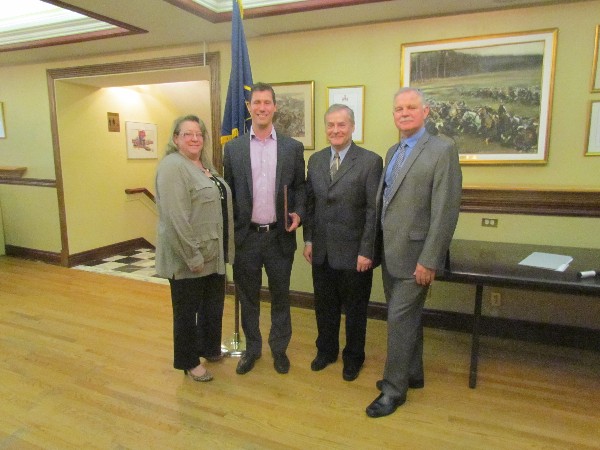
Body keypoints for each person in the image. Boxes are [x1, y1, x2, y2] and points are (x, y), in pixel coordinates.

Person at [366, 87, 462, 418]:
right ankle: (414, 373)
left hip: (417, 257)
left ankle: (394, 390)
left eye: (410, 107)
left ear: (426, 112)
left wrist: (430, 259)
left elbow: (445, 210)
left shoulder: (442, 149)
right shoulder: (394, 150)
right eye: (398, 109)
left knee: (397, 321)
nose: (404, 113)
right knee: (407, 319)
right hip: (391, 253)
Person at [223, 82, 306, 375]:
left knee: (281, 296)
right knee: (248, 298)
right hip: (246, 238)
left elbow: (300, 188)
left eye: (267, 102)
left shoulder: (292, 148)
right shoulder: (232, 150)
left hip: (279, 237)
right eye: (256, 102)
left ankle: (279, 350)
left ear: (275, 107)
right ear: (249, 108)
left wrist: (298, 212)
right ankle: (253, 349)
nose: (261, 107)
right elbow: (229, 193)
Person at [303, 104, 382, 381]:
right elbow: (310, 204)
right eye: (331, 125)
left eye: (341, 125)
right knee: (324, 306)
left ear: (352, 127)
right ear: (326, 128)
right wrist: (309, 239)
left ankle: (353, 357)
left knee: (356, 311)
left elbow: (373, 211)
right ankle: (326, 351)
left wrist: (366, 251)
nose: (335, 130)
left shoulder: (370, 161)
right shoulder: (315, 160)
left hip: (354, 254)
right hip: (322, 251)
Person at [155, 114, 234, 382]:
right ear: (175, 138)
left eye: (198, 133)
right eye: (187, 133)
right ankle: (190, 361)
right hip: (190, 258)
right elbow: (176, 218)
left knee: (212, 307)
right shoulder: (172, 167)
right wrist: (192, 256)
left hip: (214, 254)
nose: (194, 138)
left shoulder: (204, 165)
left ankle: (210, 348)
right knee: (187, 312)